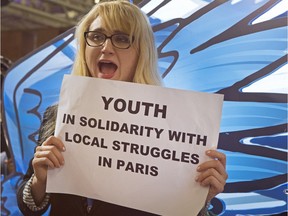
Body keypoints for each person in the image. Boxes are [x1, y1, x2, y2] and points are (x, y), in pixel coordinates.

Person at [17, 1, 228, 215]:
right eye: (97, 36)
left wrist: (200, 200)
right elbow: (28, 207)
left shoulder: (174, 126)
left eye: (121, 39)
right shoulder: (57, 114)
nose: (106, 48)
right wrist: (39, 180)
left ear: (141, 52)